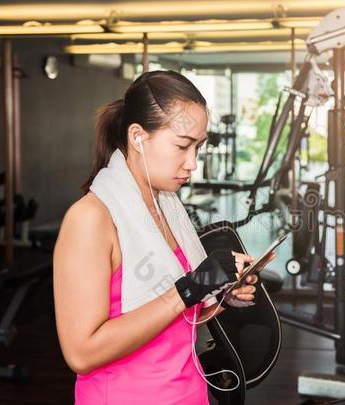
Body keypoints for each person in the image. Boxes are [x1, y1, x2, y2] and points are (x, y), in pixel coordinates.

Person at [53, 70, 266, 405]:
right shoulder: (90, 219)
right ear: (138, 136)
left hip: (188, 392)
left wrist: (221, 295)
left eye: (198, 147)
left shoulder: (166, 206)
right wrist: (190, 288)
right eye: (182, 146)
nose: (193, 163)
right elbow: (81, 353)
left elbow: (176, 322)